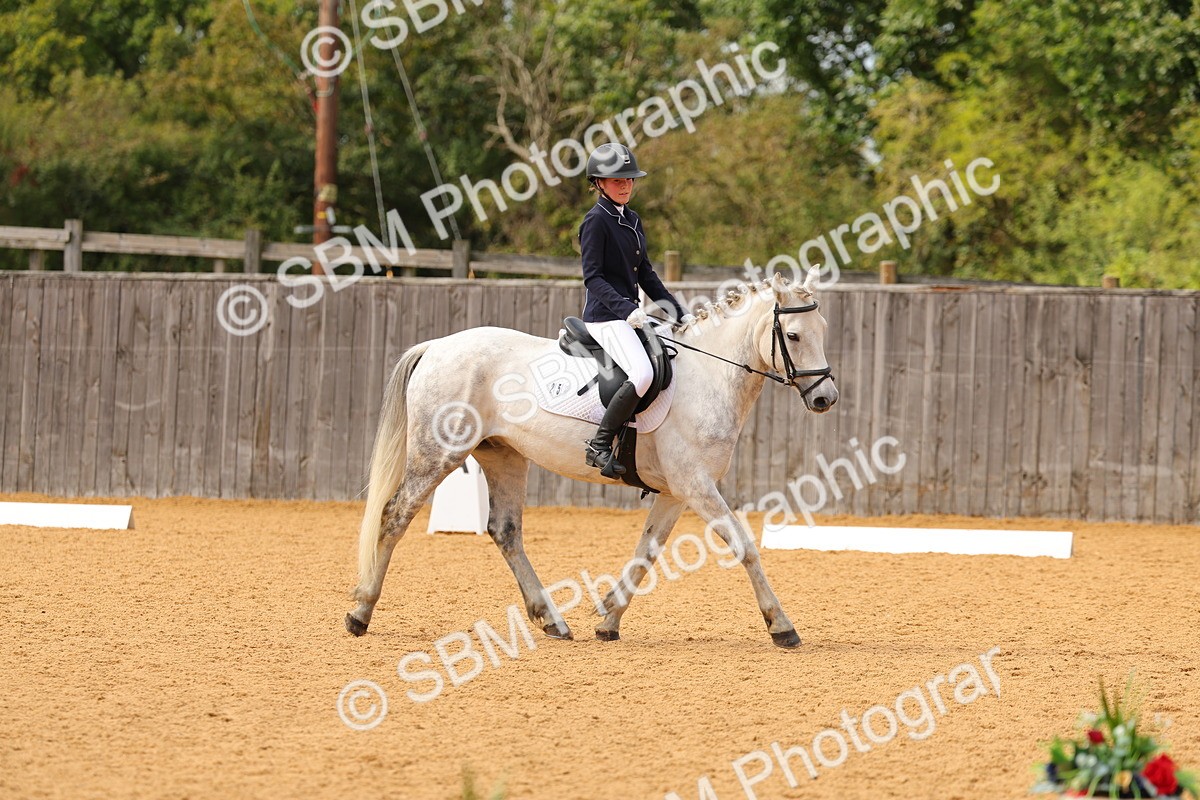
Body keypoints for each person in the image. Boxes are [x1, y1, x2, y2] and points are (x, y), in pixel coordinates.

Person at [578, 142, 695, 475]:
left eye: (629, 179)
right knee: (642, 374)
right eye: (617, 180)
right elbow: (593, 278)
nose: (626, 185)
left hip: (630, 315)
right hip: (605, 317)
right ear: (599, 182)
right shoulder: (595, 221)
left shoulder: (632, 218)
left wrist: (678, 312)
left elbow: (646, 274)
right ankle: (599, 445)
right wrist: (626, 308)